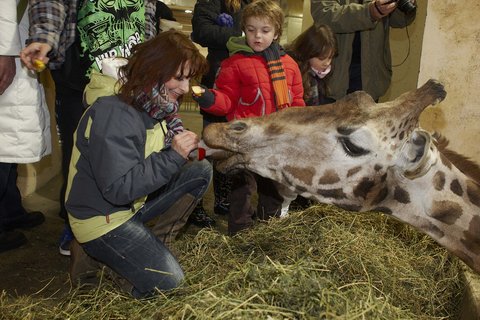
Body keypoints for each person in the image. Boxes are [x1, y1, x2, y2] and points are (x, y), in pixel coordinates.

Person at [64, 30, 212, 298]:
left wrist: (189, 152)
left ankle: (157, 244)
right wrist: (172, 156)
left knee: (200, 171)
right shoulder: (116, 114)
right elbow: (118, 189)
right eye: (178, 78)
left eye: (188, 78)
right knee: (170, 284)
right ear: (152, 71)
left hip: (132, 204)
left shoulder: (153, 105)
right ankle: (98, 256)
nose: (185, 89)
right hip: (102, 218)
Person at [20, 0, 167, 256]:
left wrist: (149, 63)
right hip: (81, 76)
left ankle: (123, 220)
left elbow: (146, 17)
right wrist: (44, 35)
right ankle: (76, 226)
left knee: (128, 148)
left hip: (129, 79)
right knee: (80, 153)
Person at [193, 0, 305, 235]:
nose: (257, 36)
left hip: (275, 139)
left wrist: (299, 128)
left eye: (265, 31)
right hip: (244, 140)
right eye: (251, 30)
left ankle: (267, 231)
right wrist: (208, 98)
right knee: (242, 190)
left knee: (272, 189)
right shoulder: (234, 62)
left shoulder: (290, 65)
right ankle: (240, 233)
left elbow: (296, 102)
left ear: (276, 33)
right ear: (244, 29)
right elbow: (227, 100)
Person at [189, 0, 253, 228]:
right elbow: (201, 31)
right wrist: (243, 34)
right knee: (210, 143)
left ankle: (224, 200)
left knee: (233, 146)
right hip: (219, 78)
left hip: (245, 82)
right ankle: (192, 204)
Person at [0, 0, 51, 253]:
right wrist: (4, 51)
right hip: (6, 45)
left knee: (10, 139)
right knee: (4, 137)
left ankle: (9, 210)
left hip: (15, 36)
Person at [310, 0, 417, 102]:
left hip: (370, 77)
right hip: (332, 74)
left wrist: (403, 6)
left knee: (365, 120)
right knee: (330, 119)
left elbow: (399, 21)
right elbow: (323, 14)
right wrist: (369, 12)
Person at [284, 23, 337, 211]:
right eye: (322, 57)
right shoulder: (292, 68)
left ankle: (303, 198)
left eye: (330, 57)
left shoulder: (318, 73)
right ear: (308, 52)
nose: (327, 63)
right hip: (295, 128)